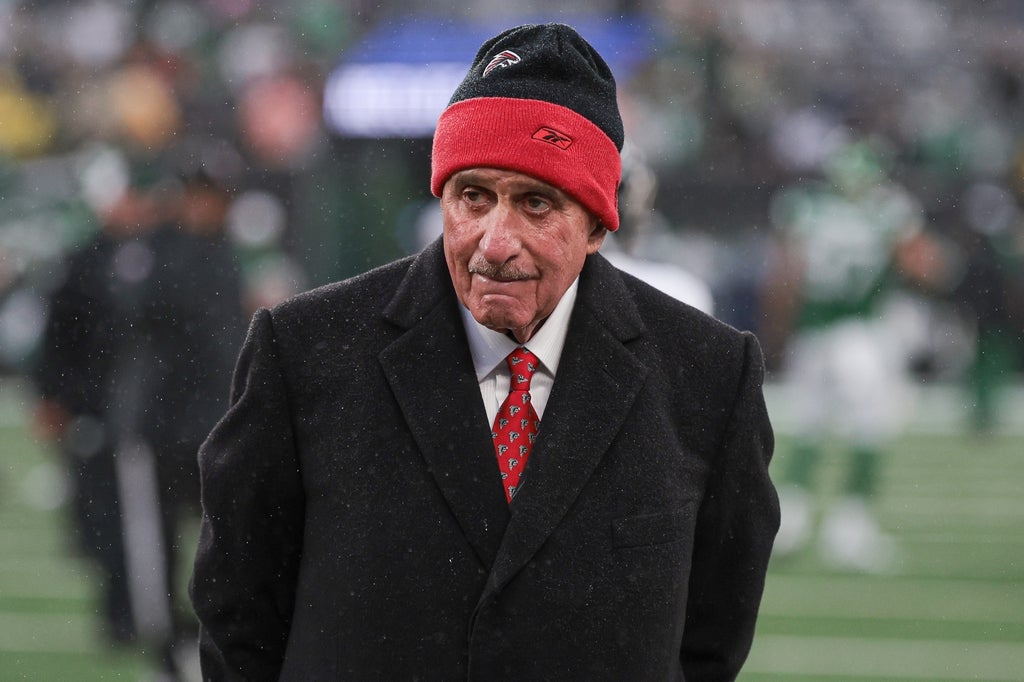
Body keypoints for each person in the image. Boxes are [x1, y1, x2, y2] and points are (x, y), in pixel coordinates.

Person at [190, 23, 779, 681]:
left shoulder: (708, 375)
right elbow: (237, 616)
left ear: (597, 224)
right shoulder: (304, 352)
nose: (495, 241)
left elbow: (713, 638)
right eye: (474, 196)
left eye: (536, 203)